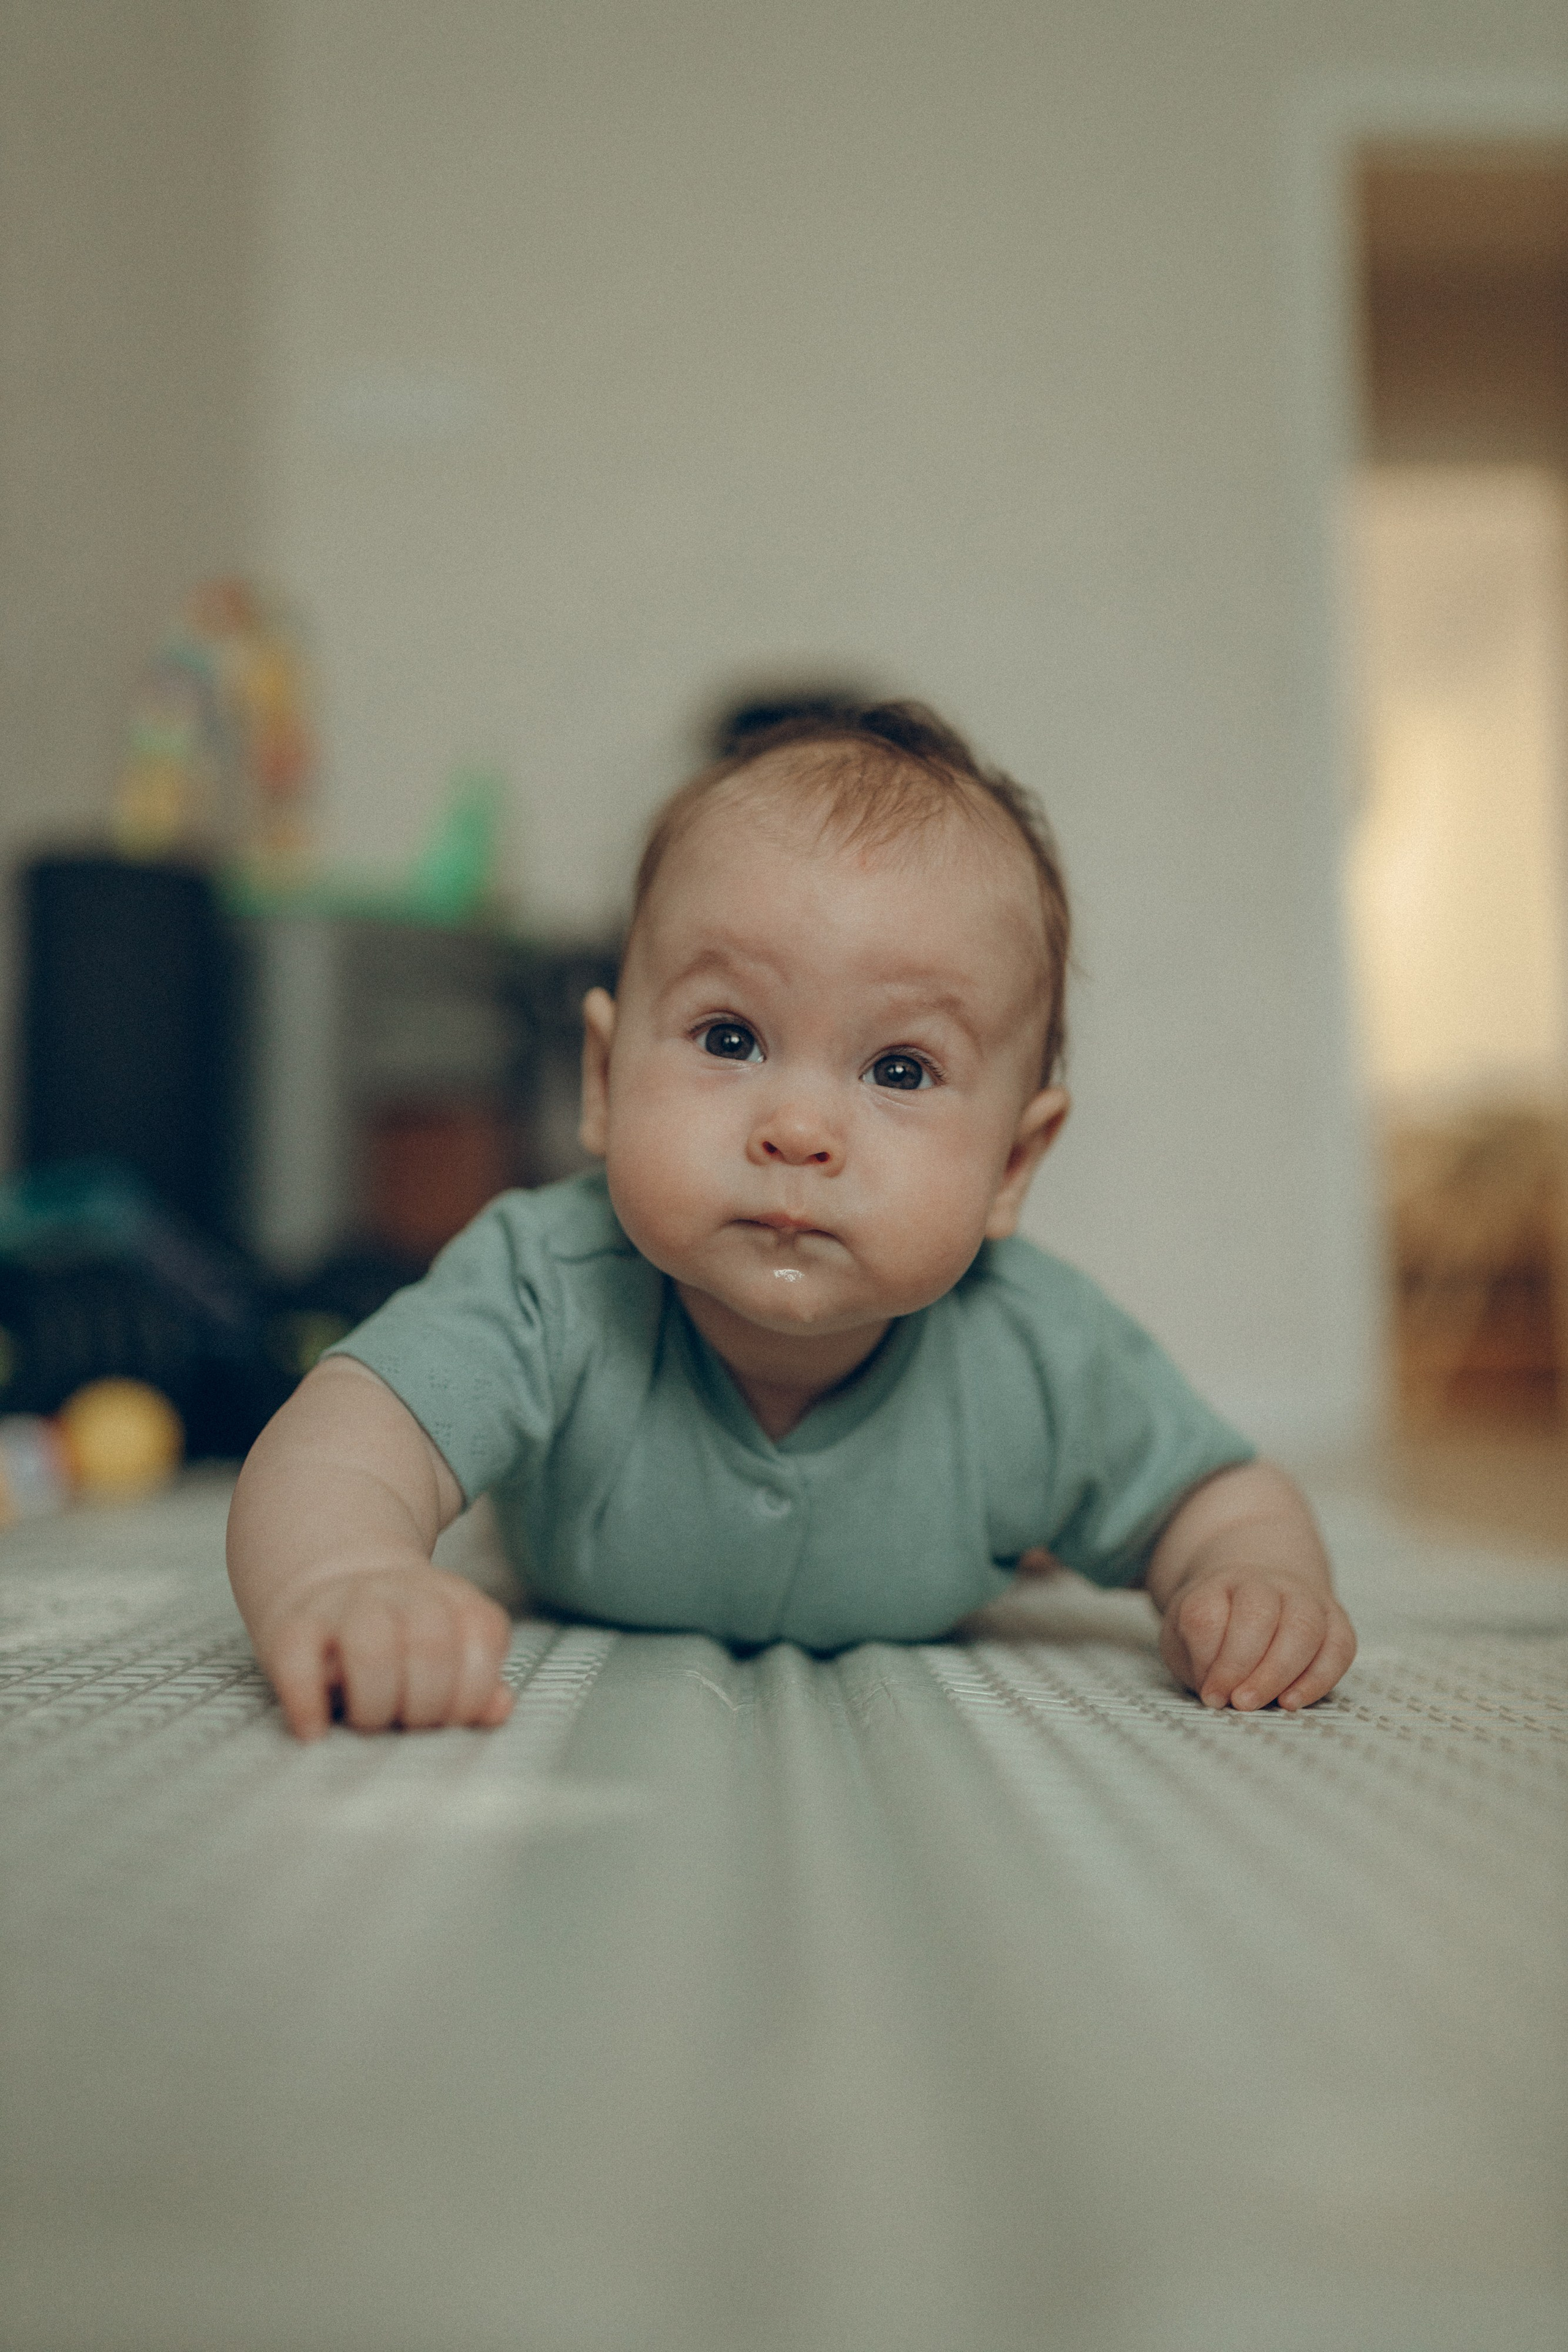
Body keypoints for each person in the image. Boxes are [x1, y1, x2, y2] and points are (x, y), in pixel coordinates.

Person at [227, 703, 1356, 1739]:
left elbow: (1221, 1495)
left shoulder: (1037, 1352)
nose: (801, 1128)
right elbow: (339, 1446)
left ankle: (1040, 1535)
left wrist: (1256, 1577)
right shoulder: (545, 1278)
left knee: (1115, 1508)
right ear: (606, 1083)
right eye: (730, 1038)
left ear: (1013, 1163)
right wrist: (344, 1579)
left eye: (902, 1068)